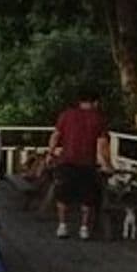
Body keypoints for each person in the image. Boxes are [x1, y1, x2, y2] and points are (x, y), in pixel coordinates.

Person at [49, 88, 112, 240]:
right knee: (87, 197)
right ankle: (84, 228)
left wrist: (50, 153)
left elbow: (56, 135)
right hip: (87, 162)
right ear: (96, 102)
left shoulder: (66, 115)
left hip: (66, 160)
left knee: (63, 194)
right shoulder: (98, 118)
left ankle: (62, 225)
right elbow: (102, 144)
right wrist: (107, 164)